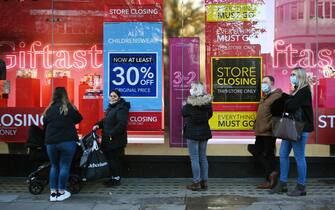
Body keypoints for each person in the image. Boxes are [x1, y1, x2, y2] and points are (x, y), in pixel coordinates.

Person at [270, 67, 314, 196]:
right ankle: (282, 184)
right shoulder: (296, 91)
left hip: (300, 128)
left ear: (300, 76)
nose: (291, 76)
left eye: (294, 74)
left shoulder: (304, 91)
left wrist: (285, 99)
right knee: (283, 155)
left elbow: (291, 106)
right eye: (291, 74)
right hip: (291, 127)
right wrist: (286, 97)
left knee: (299, 157)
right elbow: (290, 104)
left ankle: (301, 187)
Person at [43, 87, 83, 202]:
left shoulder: (49, 109)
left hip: (51, 142)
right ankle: (61, 192)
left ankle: (53, 193)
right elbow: (79, 118)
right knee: (64, 166)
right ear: (65, 95)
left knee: (54, 166)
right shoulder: (69, 108)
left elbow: (44, 124)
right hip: (67, 141)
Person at [93, 89, 130, 187]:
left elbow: (122, 124)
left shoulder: (121, 109)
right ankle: (113, 177)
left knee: (115, 159)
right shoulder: (111, 108)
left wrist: (111, 134)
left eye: (115, 96)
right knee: (111, 159)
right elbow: (106, 121)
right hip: (109, 139)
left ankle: (116, 179)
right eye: (111, 96)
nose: (112, 98)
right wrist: (98, 125)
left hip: (115, 140)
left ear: (119, 98)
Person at [252, 76, 282, 189]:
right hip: (260, 131)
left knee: (268, 154)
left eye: (266, 82)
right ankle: (272, 174)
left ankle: (270, 178)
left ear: (272, 83)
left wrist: (267, 127)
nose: (263, 84)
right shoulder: (266, 96)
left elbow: (277, 116)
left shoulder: (277, 96)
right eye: (262, 82)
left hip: (268, 132)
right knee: (257, 152)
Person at [182, 82, 213, 191]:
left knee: (194, 158)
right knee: (203, 157)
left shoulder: (190, 103)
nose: (190, 90)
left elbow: (183, 112)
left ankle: (196, 182)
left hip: (192, 133)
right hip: (204, 132)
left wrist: (186, 102)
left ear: (196, 90)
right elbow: (210, 115)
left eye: (192, 88)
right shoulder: (207, 102)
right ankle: (205, 182)